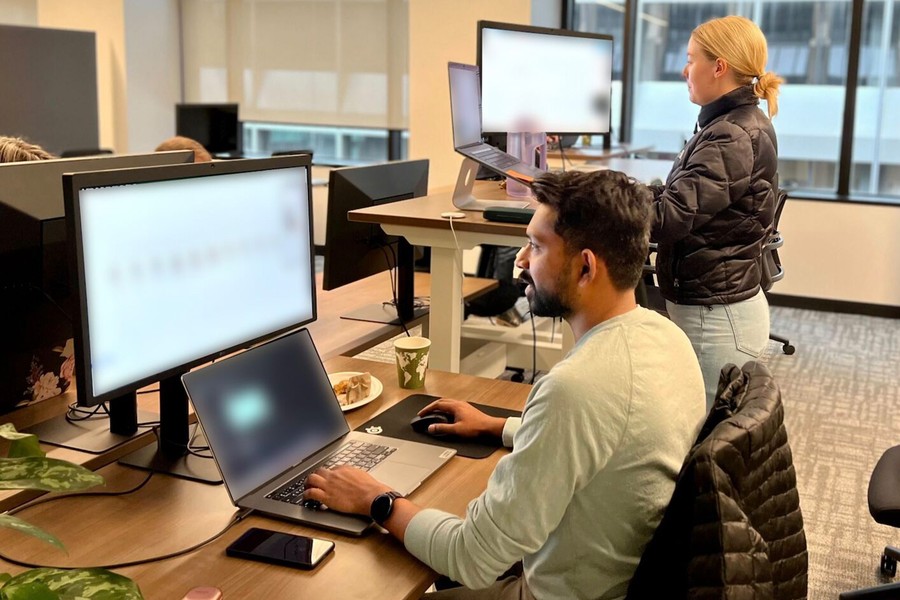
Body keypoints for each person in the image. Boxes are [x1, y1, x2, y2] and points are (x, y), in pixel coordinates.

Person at [304, 170, 706, 599]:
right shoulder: (667, 337)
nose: (521, 259)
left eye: (536, 246)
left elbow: (471, 558)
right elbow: (611, 437)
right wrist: (500, 427)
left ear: (586, 267)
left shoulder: (577, 387)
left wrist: (376, 499)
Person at [649, 15, 783, 409]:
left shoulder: (732, 134)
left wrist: (605, 200)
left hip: (716, 319)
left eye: (691, 60)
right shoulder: (730, 124)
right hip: (717, 307)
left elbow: (668, 218)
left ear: (719, 67)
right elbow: (681, 198)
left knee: (704, 434)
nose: (684, 70)